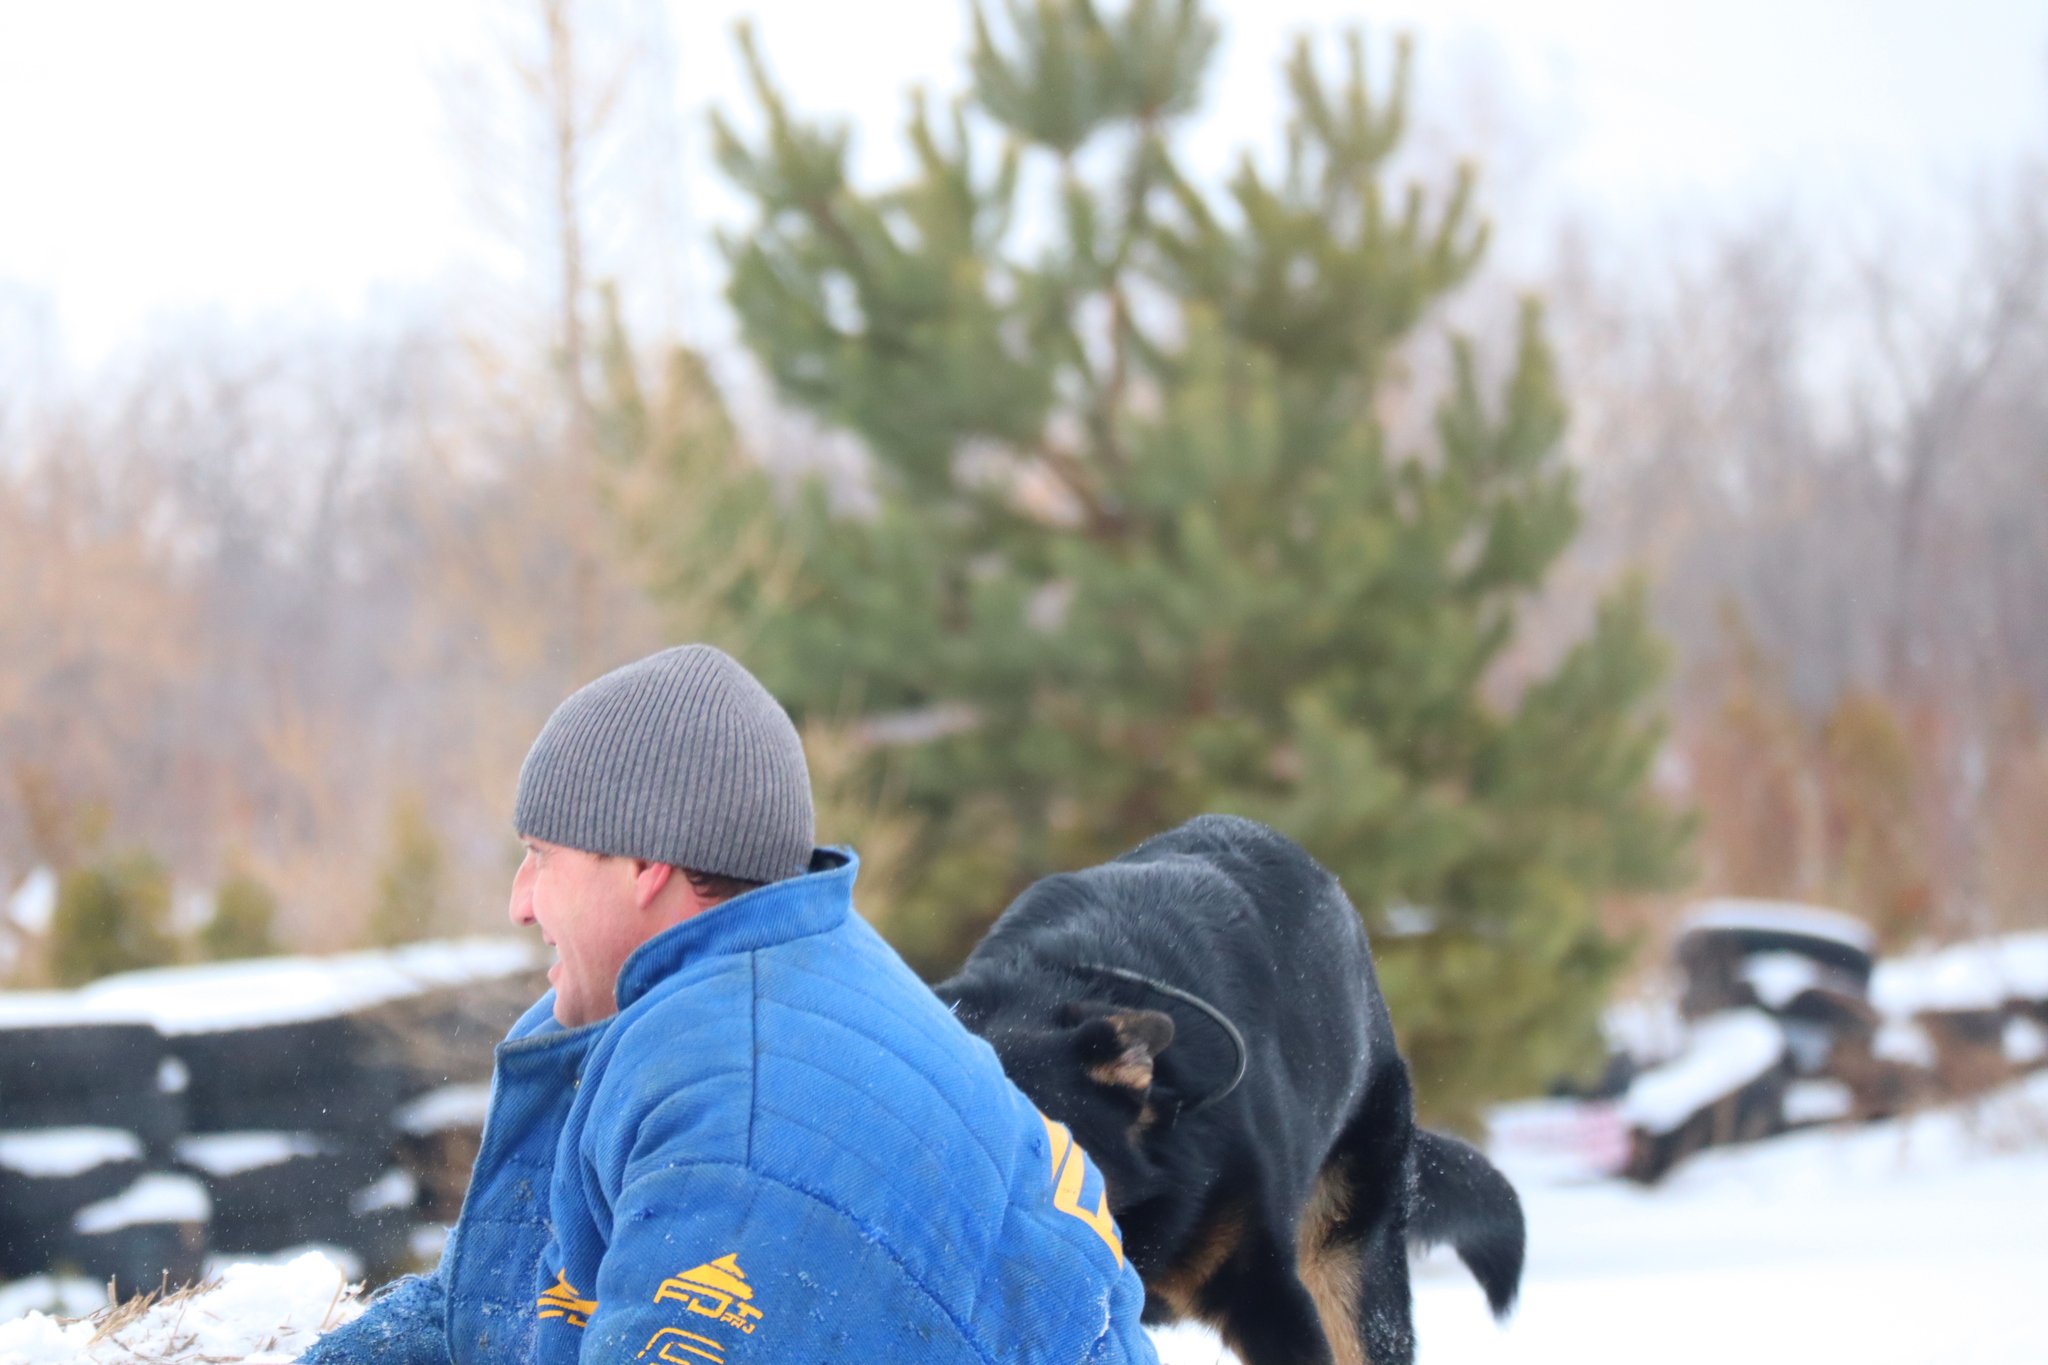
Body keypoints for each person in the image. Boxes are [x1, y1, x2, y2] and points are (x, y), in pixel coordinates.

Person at [302, 645, 1156, 1365]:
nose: (519, 902)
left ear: (645, 863)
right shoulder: (711, 997)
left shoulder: (746, 1117)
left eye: (540, 855)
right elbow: (498, 1295)